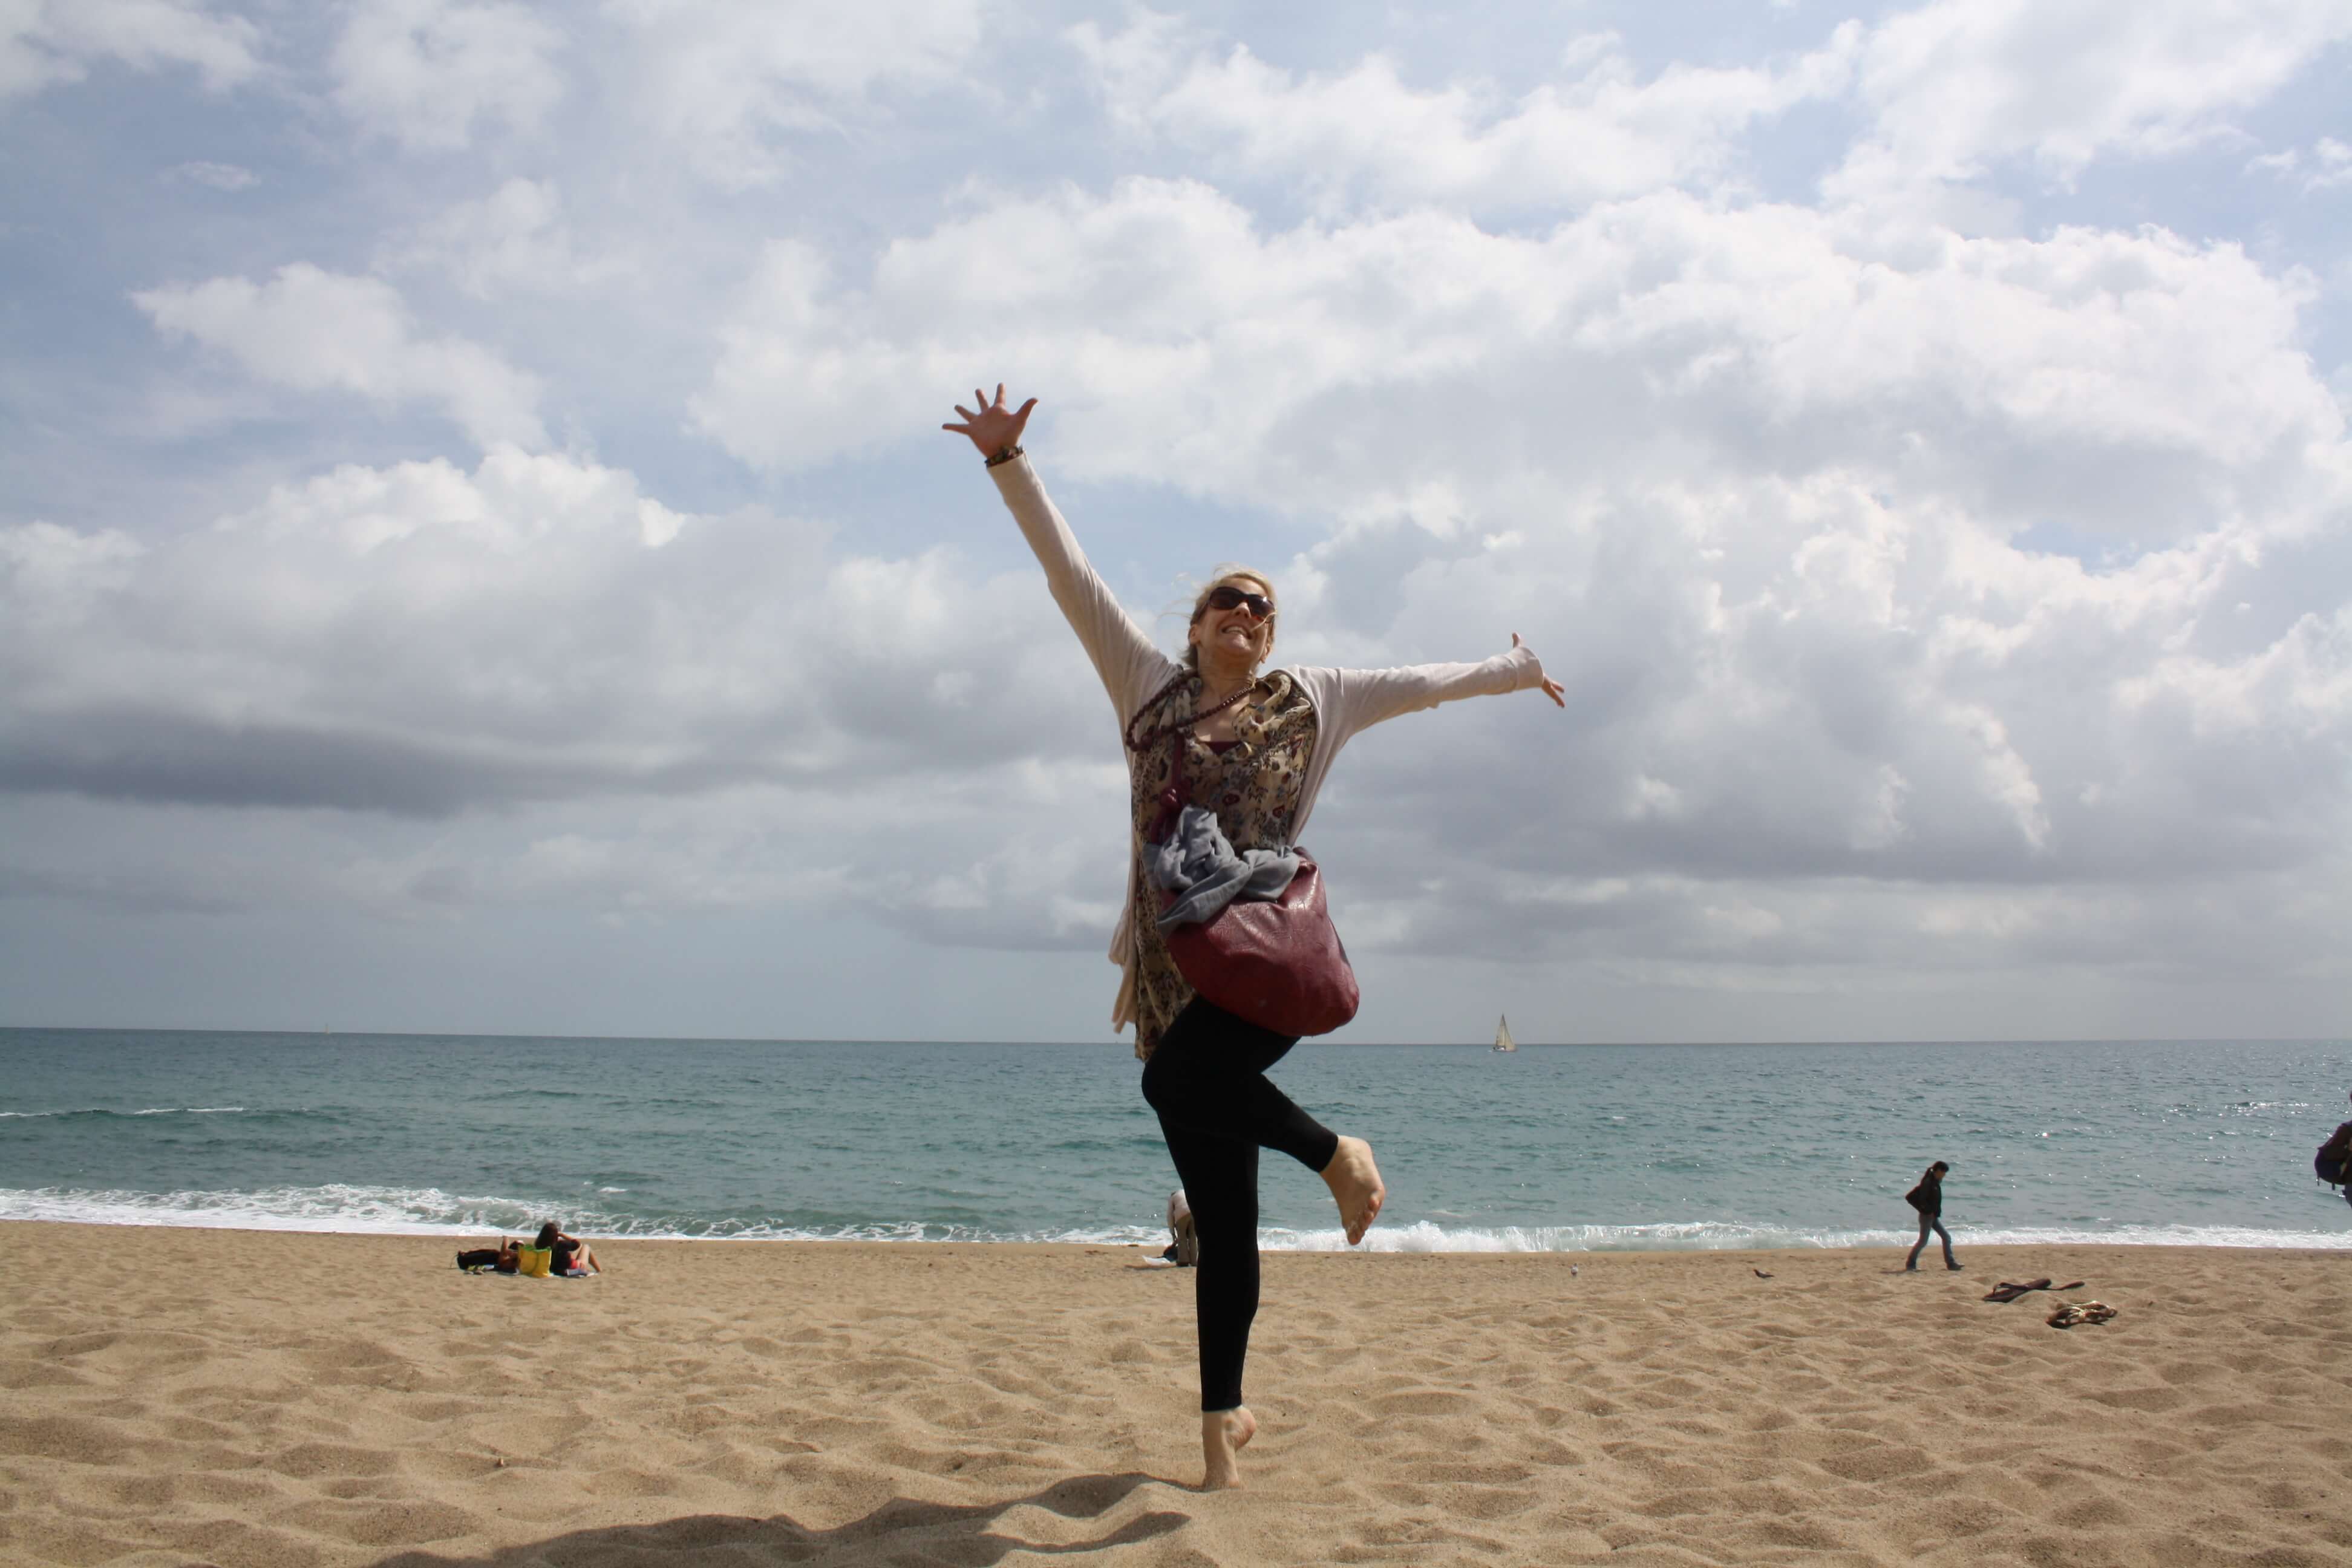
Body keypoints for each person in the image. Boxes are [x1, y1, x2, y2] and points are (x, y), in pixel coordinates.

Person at [945, 385, 1565, 1490]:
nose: (1244, 616)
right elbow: (1067, 579)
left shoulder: (1310, 699)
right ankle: (1217, 1439)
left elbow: (1419, 687)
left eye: (1260, 609)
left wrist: (1510, 672)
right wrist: (1009, 463)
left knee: (1175, 1090)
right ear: (1194, 625)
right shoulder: (1146, 686)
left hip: (1267, 963)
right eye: (1227, 604)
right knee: (1224, 1215)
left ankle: (1339, 1153)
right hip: (1169, 971)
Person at [1904, 1161, 1959, 1272]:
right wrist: (1927, 1211)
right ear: (1938, 1171)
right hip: (1926, 1217)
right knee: (1923, 1241)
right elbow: (1919, 1199)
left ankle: (1951, 1264)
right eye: (1944, 1172)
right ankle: (1910, 1264)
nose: (1944, 1175)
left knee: (1946, 1237)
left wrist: (1933, 1212)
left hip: (1933, 1217)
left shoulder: (1935, 1182)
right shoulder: (1928, 1182)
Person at [535, 1221, 600, 1277]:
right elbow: (577, 1244)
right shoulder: (561, 1244)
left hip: (555, 1268)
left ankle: (599, 1270)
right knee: (586, 1247)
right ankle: (599, 1270)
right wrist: (562, 1235)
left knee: (572, 1252)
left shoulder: (538, 1245)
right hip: (573, 1268)